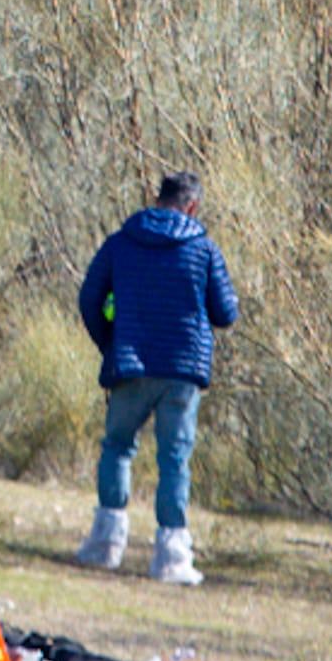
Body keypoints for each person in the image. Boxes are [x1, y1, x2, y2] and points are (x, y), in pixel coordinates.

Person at [74, 171, 239, 585]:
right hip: (182, 371)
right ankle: (170, 558)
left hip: (130, 363)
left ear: (158, 199)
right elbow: (226, 313)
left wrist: (109, 342)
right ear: (193, 206)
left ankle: (106, 546)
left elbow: (89, 298)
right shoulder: (204, 250)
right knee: (174, 458)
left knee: (117, 447)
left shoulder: (121, 242)